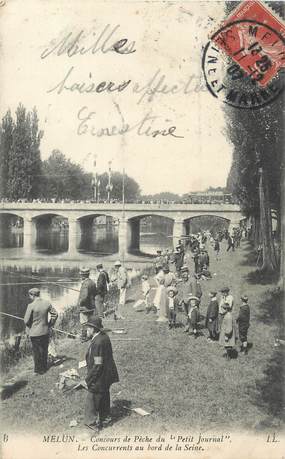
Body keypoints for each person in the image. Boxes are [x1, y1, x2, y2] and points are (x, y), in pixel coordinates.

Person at [84, 317, 119, 429]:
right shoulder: (103, 336)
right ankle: (106, 418)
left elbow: (97, 364)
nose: (86, 330)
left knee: (92, 398)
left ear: (94, 329)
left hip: (100, 376)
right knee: (104, 395)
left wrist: (88, 380)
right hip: (107, 374)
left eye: (88, 328)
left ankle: (91, 425)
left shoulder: (98, 342)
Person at [24, 288, 58, 375]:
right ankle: (44, 367)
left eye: (30, 295)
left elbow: (26, 321)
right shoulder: (47, 303)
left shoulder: (30, 306)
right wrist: (50, 324)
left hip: (35, 333)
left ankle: (38, 370)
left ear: (32, 295)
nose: (30, 297)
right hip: (45, 331)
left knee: (36, 351)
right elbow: (55, 314)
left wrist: (31, 324)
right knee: (44, 349)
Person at [78, 267, 97, 341]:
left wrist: (80, 302)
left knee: (84, 322)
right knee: (90, 321)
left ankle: (84, 337)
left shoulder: (85, 284)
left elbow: (84, 297)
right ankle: (90, 335)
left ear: (83, 275)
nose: (81, 276)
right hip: (91, 306)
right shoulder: (92, 282)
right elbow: (95, 293)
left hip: (85, 307)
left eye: (81, 275)